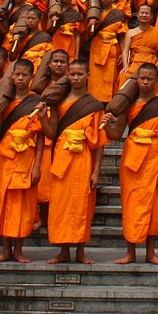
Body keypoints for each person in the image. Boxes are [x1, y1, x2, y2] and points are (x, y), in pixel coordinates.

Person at [104, 62, 158, 265]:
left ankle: (150, 253)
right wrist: (106, 125)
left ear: (157, 80)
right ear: (136, 80)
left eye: (149, 79)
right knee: (131, 206)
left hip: (154, 160)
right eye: (141, 78)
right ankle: (130, 253)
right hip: (132, 161)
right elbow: (117, 133)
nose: (145, 82)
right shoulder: (128, 104)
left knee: (152, 208)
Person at [46, 60, 107, 264]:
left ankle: (81, 251)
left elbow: (99, 143)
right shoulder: (59, 102)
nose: (76, 78)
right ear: (67, 75)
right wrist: (42, 117)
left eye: (80, 74)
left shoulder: (94, 105)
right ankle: (63, 251)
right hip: (62, 159)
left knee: (82, 207)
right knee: (61, 206)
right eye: (72, 74)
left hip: (83, 159)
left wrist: (96, 171)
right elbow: (52, 132)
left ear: (88, 75)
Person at [0, 58, 46, 264]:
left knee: (23, 207)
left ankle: (18, 250)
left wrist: (37, 166)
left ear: (31, 77)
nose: (20, 78)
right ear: (12, 76)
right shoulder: (4, 101)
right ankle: (5, 250)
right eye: (17, 75)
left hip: (26, 159)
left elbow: (40, 137)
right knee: (3, 204)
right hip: (6, 158)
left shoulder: (35, 102)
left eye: (24, 75)